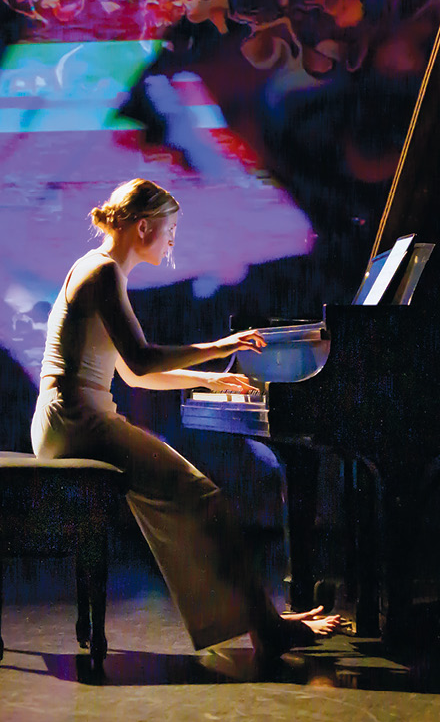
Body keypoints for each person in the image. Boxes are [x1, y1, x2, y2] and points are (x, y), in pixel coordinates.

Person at [31, 178, 340, 659]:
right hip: (76, 420)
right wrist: (221, 347)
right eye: (170, 229)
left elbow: (133, 377)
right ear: (144, 226)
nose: (173, 240)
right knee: (204, 496)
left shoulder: (101, 269)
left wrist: (209, 380)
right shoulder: (103, 272)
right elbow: (139, 359)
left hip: (67, 419)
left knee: (190, 499)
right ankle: (266, 628)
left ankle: (260, 619)